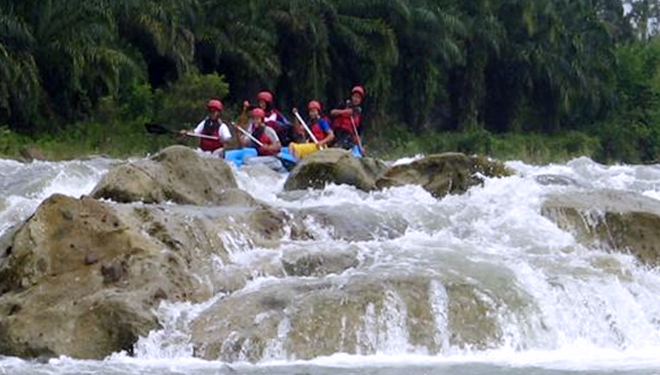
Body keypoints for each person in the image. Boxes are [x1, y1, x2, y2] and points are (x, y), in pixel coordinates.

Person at [240, 107, 286, 173]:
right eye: (254, 119)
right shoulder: (253, 132)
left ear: (262, 120)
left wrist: (268, 147)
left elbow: (278, 146)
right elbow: (245, 143)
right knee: (246, 160)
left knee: (248, 162)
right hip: (260, 157)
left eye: (257, 119)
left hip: (272, 158)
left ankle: (277, 165)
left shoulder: (268, 130)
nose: (255, 121)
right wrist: (240, 137)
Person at [330, 85, 365, 153]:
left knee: (351, 144)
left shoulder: (359, 114)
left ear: (360, 100)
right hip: (338, 133)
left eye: (358, 98)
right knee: (340, 143)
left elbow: (357, 134)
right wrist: (344, 112)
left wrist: (360, 147)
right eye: (355, 96)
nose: (356, 99)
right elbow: (332, 112)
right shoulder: (343, 105)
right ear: (352, 97)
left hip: (349, 136)